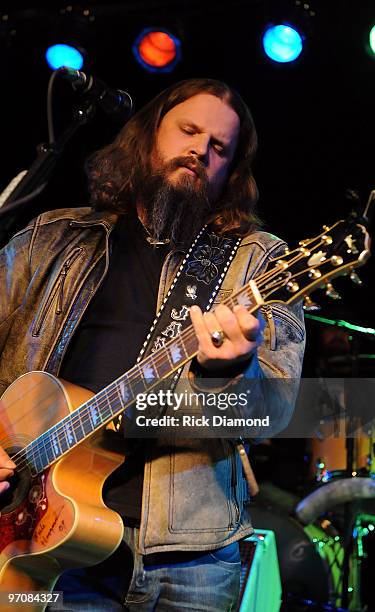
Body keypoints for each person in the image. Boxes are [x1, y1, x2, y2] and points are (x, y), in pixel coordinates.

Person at [0, 78, 305, 611]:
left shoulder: (260, 262)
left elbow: (273, 411)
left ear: (231, 171)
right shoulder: (54, 237)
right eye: (188, 130)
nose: (199, 150)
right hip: (39, 538)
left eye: (219, 148)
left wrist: (229, 371)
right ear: (146, 136)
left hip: (192, 558)